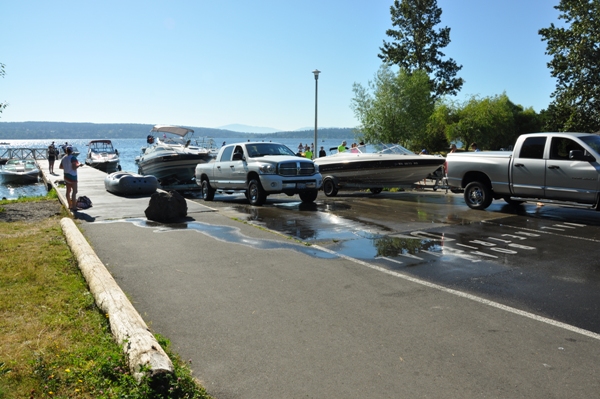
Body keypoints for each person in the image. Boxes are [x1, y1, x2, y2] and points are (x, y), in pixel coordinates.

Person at [59, 146, 81, 211]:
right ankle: (74, 207)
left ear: (66, 151)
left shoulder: (63, 158)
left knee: (68, 191)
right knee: (75, 191)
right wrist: (79, 165)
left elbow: (60, 167)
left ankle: (69, 205)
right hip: (72, 176)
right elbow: (74, 167)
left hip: (66, 176)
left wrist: (67, 168)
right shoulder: (73, 158)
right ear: (71, 151)